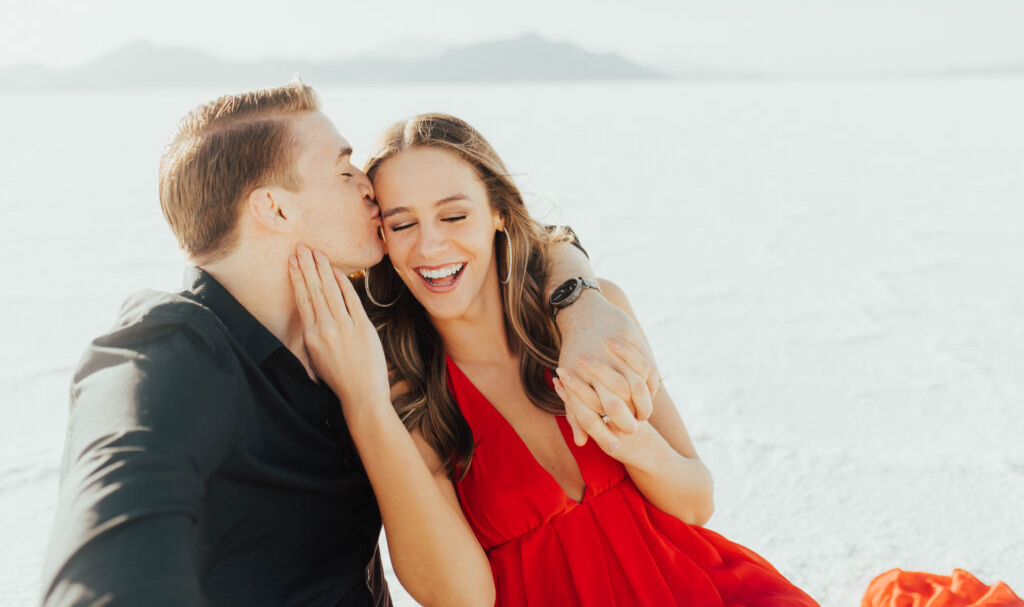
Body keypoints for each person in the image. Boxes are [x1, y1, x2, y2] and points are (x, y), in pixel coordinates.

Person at [40, 82, 656, 606]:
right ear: (276, 210)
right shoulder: (167, 350)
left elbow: (510, 237)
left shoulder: (360, 316)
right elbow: (112, 534)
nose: (369, 187)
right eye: (342, 170)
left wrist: (580, 301)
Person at [290, 112, 821, 606]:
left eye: (454, 215)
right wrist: (367, 408)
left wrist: (630, 442)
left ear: (497, 211)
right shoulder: (404, 385)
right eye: (403, 224)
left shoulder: (594, 312)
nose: (430, 246)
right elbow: (461, 597)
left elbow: (695, 503)